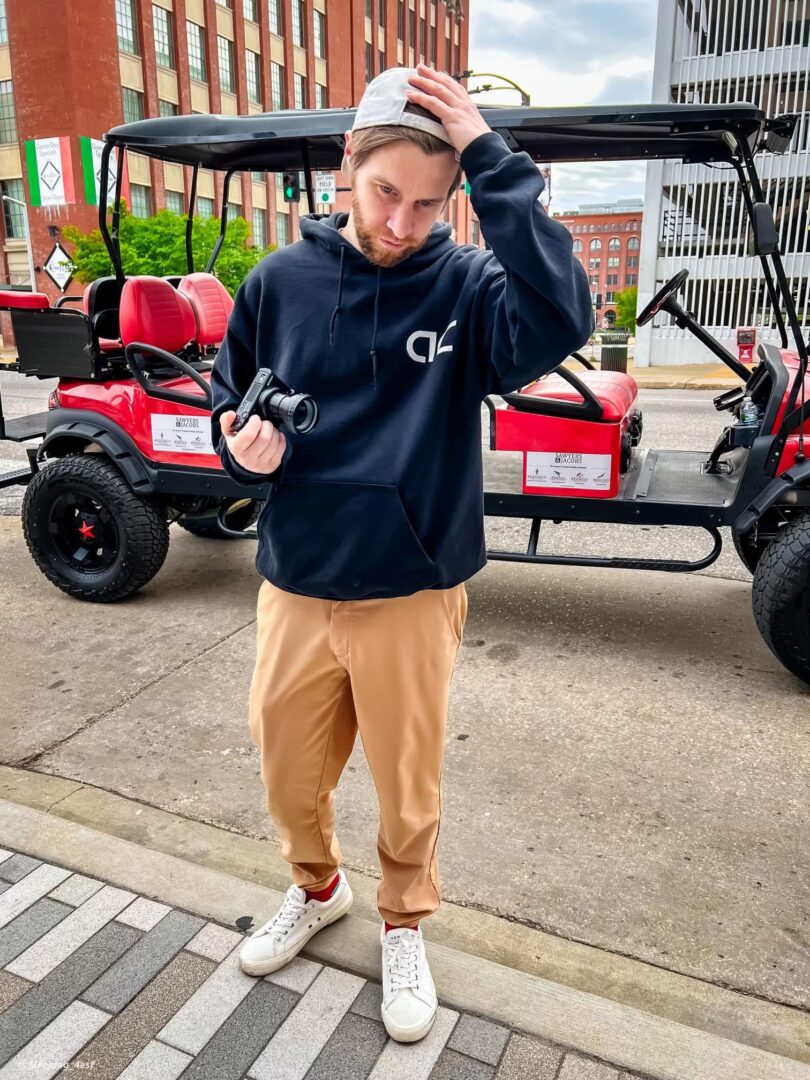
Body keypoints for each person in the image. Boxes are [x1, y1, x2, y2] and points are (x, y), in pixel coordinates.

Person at [210, 64, 592, 1044]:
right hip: (298, 577)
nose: (402, 222)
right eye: (386, 192)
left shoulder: (470, 287)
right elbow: (228, 398)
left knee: (407, 784)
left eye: (430, 203)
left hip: (413, 584)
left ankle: (403, 922)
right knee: (287, 770)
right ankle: (318, 889)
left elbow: (564, 315)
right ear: (350, 161)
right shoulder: (278, 283)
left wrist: (490, 159)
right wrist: (241, 446)